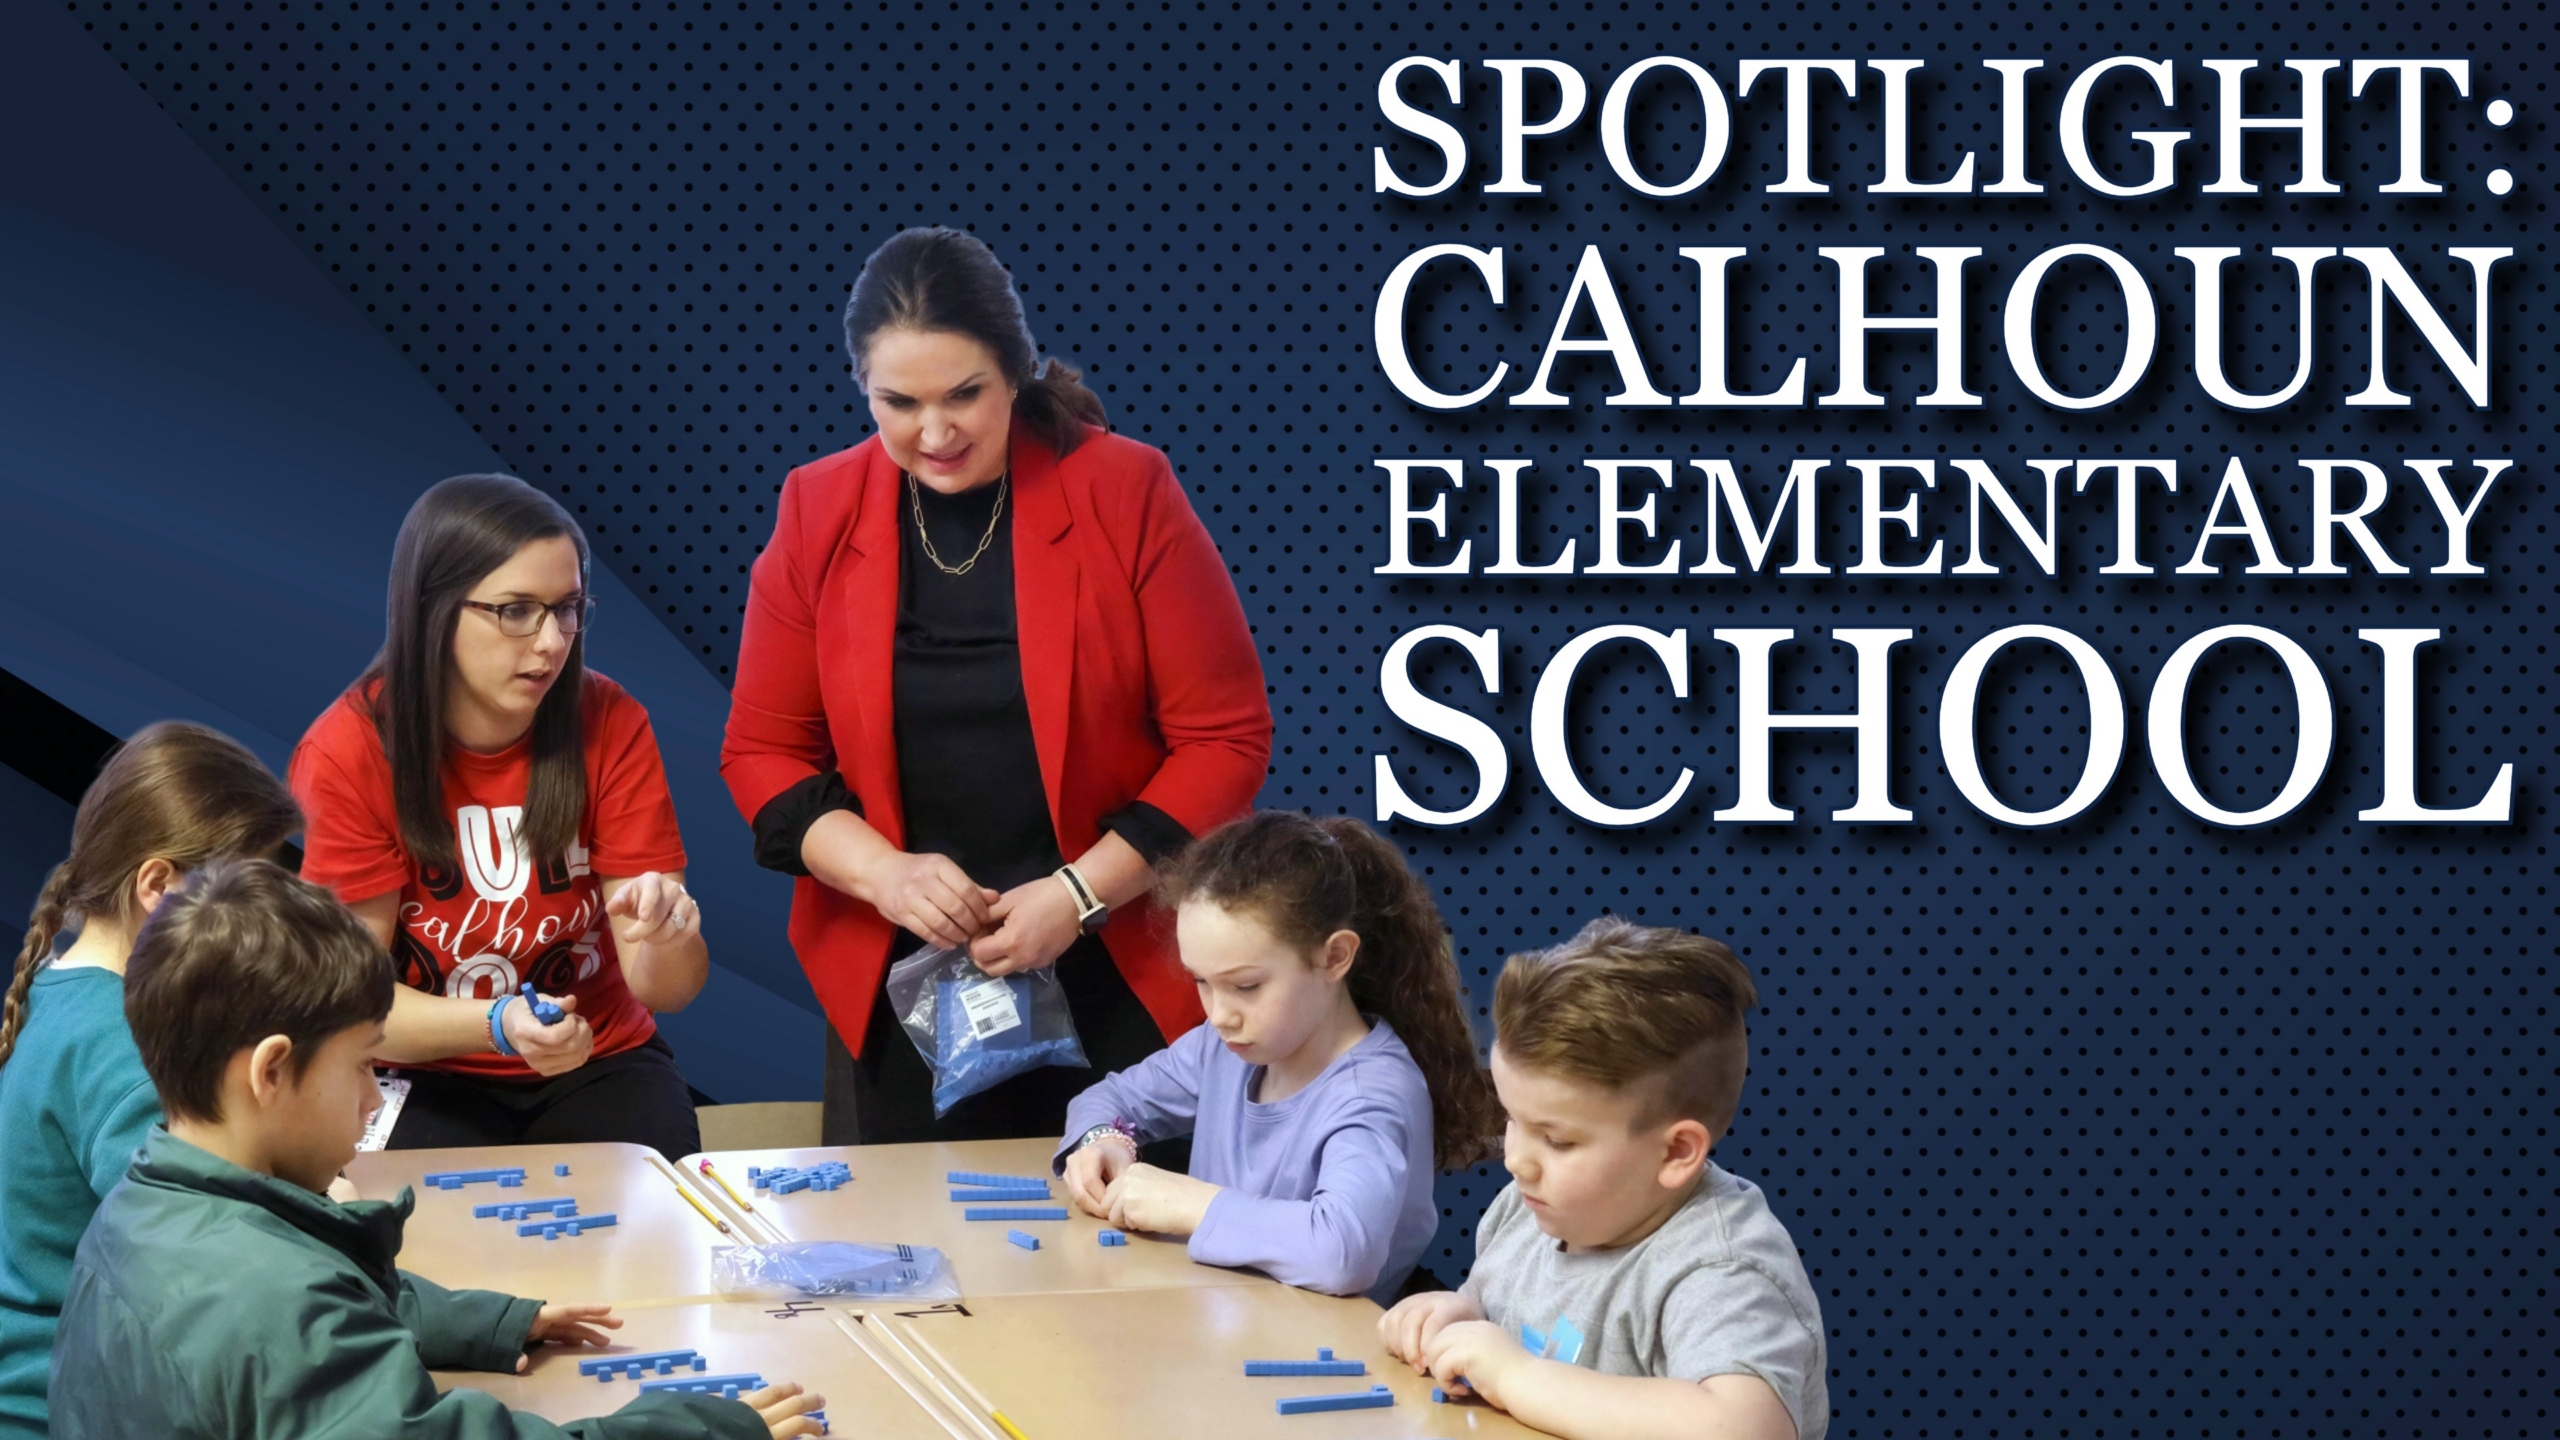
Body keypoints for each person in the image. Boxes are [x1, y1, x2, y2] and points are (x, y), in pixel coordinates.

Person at [723, 226, 1272, 1146]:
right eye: (898, 403)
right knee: (900, 1270)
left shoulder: (1126, 487)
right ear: (862, 386)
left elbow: (1225, 740)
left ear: (1014, 374)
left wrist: (1077, 897)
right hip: (899, 979)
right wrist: (886, 876)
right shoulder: (815, 507)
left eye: (965, 396)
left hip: (1118, 963)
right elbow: (762, 752)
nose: (935, 435)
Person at [46, 857, 825, 1439]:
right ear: (271, 1071)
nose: (371, 1101)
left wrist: (484, 1322)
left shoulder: (142, 1210)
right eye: (360, 1067)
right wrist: (693, 1430)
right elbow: (307, 1328)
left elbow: (321, 1288)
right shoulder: (272, 1308)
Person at [292, 473, 710, 1159]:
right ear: (434, 609)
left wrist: (667, 935)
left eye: (568, 608)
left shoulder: (612, 719)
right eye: (516, 610)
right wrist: (498, 1021)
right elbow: (353, 1008)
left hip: (597, 1056)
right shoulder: (346, 750)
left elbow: (666, 989)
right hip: (418, 1069)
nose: (552, 642)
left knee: (640, 1233)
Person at [1377, 918, 1829, 1440]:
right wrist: (1461, 1316)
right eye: (1511, 1119)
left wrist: (1517, 1375)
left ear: (1676, 1152)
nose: (1517, 1161)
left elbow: (1743, 1428)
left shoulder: (1723, 1269)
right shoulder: (1529, 1209)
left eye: (1558, 1140)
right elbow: (1506, 1330)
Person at [1051, 811, 1501, 1302]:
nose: (1220, 1014)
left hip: (1333, 1361)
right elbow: (1112, 1097)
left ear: (1333, 958)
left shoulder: (1373, 1093)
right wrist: (1104, 1141)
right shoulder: (1222, 1048)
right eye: (1202, 981)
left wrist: (1194, 1205)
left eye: (1246, 986)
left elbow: (1342, 1252)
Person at [0, 723, 302, 1439]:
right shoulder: (119, 1045)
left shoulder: (55, 993)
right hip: (64, 1409)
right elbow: (201, 1258)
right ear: (158, 886)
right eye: (239, 899)